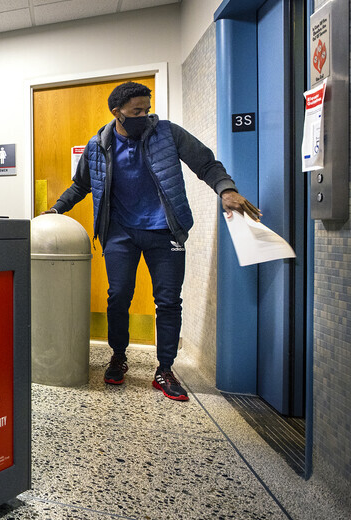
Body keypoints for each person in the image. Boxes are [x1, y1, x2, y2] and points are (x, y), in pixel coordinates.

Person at [44, 81, 261, 401]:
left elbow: (206, 163)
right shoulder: (98, 145)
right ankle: (118, 356)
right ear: (117, 113)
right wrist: (55, 210)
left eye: (147, 109)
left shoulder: (168, 134)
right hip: (119, 232)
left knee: (169, 301)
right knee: (118, 297)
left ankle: (165, 369)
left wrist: (226, 190)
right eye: (137, 111)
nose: (145, 115)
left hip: (165, 231)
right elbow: (80, 186)